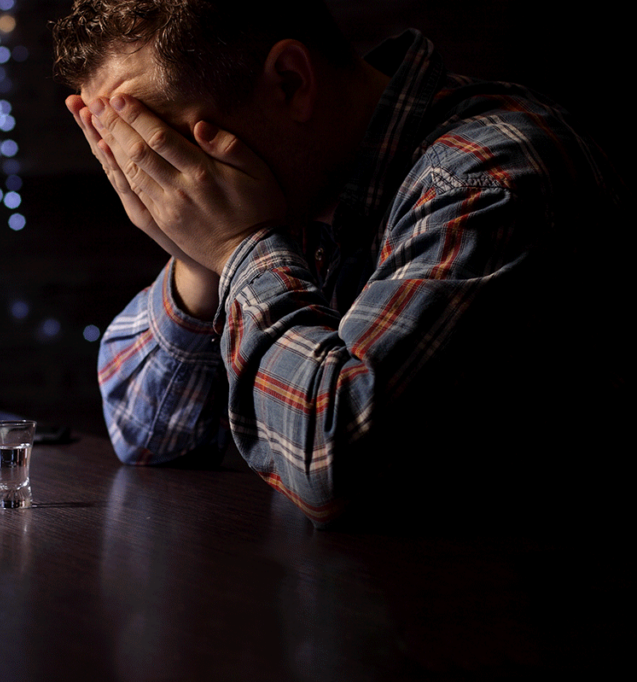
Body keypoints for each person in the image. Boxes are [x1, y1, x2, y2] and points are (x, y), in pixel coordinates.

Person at [52, 0, 626, 528]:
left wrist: (238, 246)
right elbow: (149, 436)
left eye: (166, 147)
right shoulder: (295, 184)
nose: (163, 182)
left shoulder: (492, 178)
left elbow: (337, 463)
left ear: (291, 82)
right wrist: (201, 261)